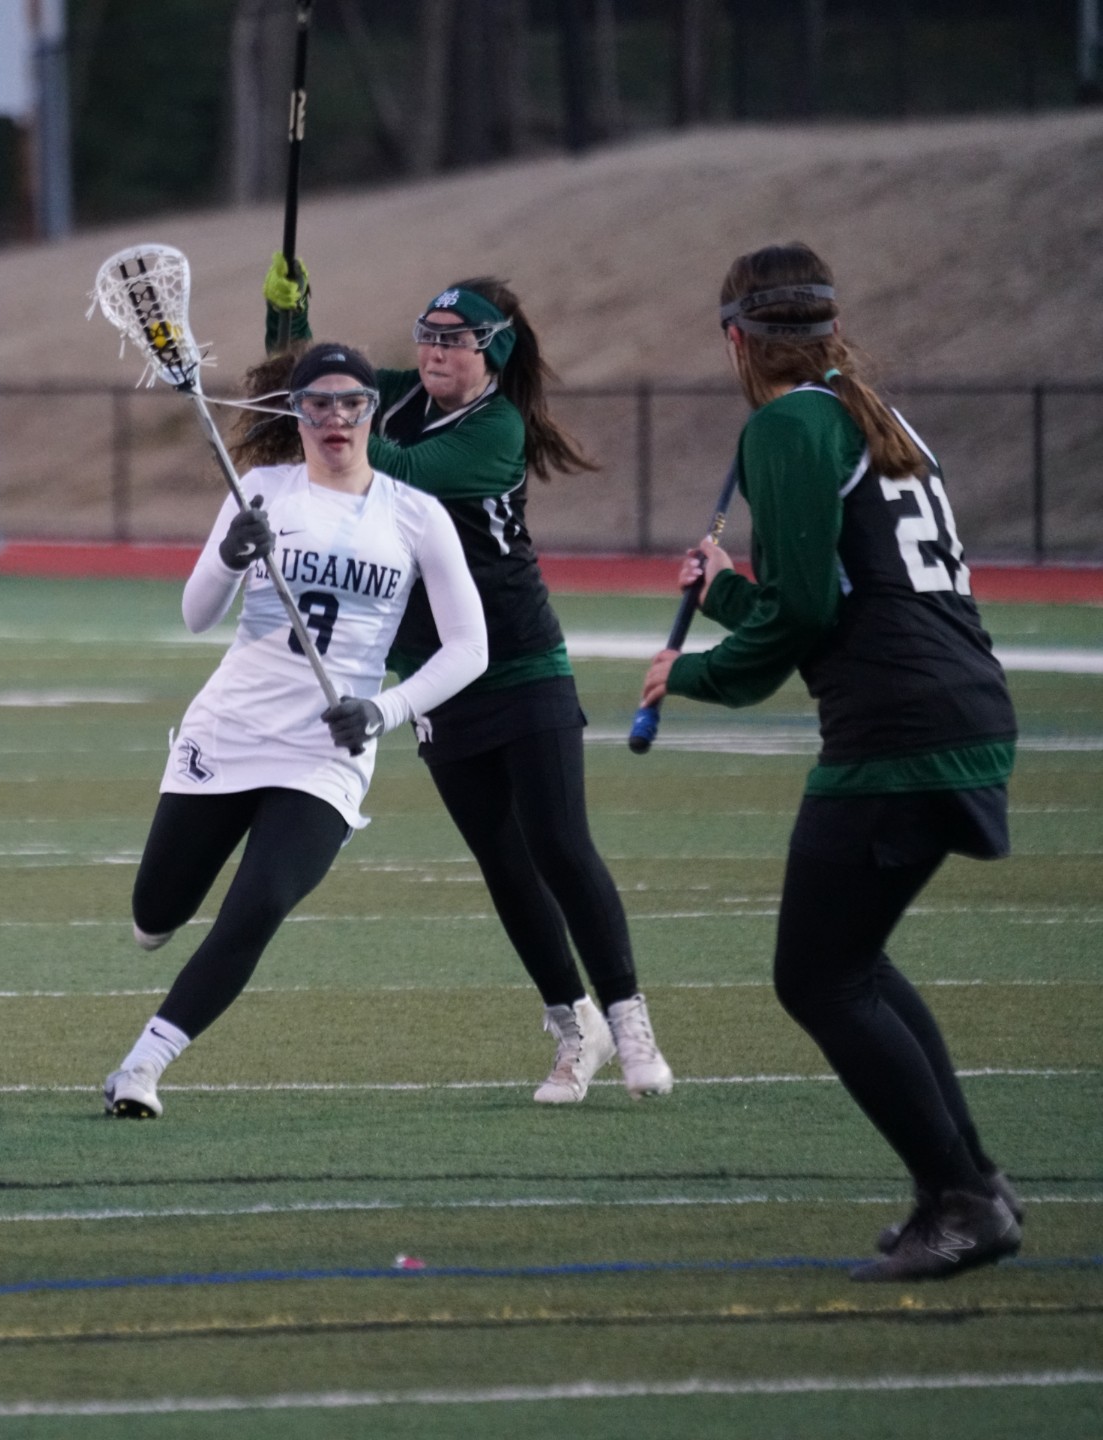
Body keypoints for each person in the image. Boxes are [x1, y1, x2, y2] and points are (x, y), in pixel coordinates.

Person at [640, 242, 1022, 1282]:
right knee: (850, 964)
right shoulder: (869, 411)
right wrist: (724, 592)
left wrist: (696, 675)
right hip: (957, 702)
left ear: (735, 339)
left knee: (816, 974)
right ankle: (969, 1184)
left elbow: (806, 612)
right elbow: (837, 584)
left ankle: (958, 1197)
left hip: (896, 728)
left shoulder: (788, 423)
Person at [261, 259, 673, 1104]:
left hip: (520, 662)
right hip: (433, 673)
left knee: (559, 845)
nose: (433, 352)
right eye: (424, 337)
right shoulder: (396, 396)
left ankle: (631, 1023)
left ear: (492, 350)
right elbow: (307, 390)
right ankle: (573, 1025)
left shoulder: (497, 431)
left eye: (452, 341)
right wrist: (287, 320)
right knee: (502, 862)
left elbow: (386, 471)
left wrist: (331, 421)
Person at [102, 342, 488, 1120]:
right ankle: (156, 922)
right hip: (232, 726)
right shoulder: (261, 491)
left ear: (373, 411)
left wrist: (383, 710)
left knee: (259, 904)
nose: (336, 418)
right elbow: (194, 613)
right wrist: (228, 554)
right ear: (296, 411)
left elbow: (469, 648)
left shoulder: (414, 515)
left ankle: (141, 1067)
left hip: (329, 749)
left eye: (352, 403)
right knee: (155, 915)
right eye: (319, 403)